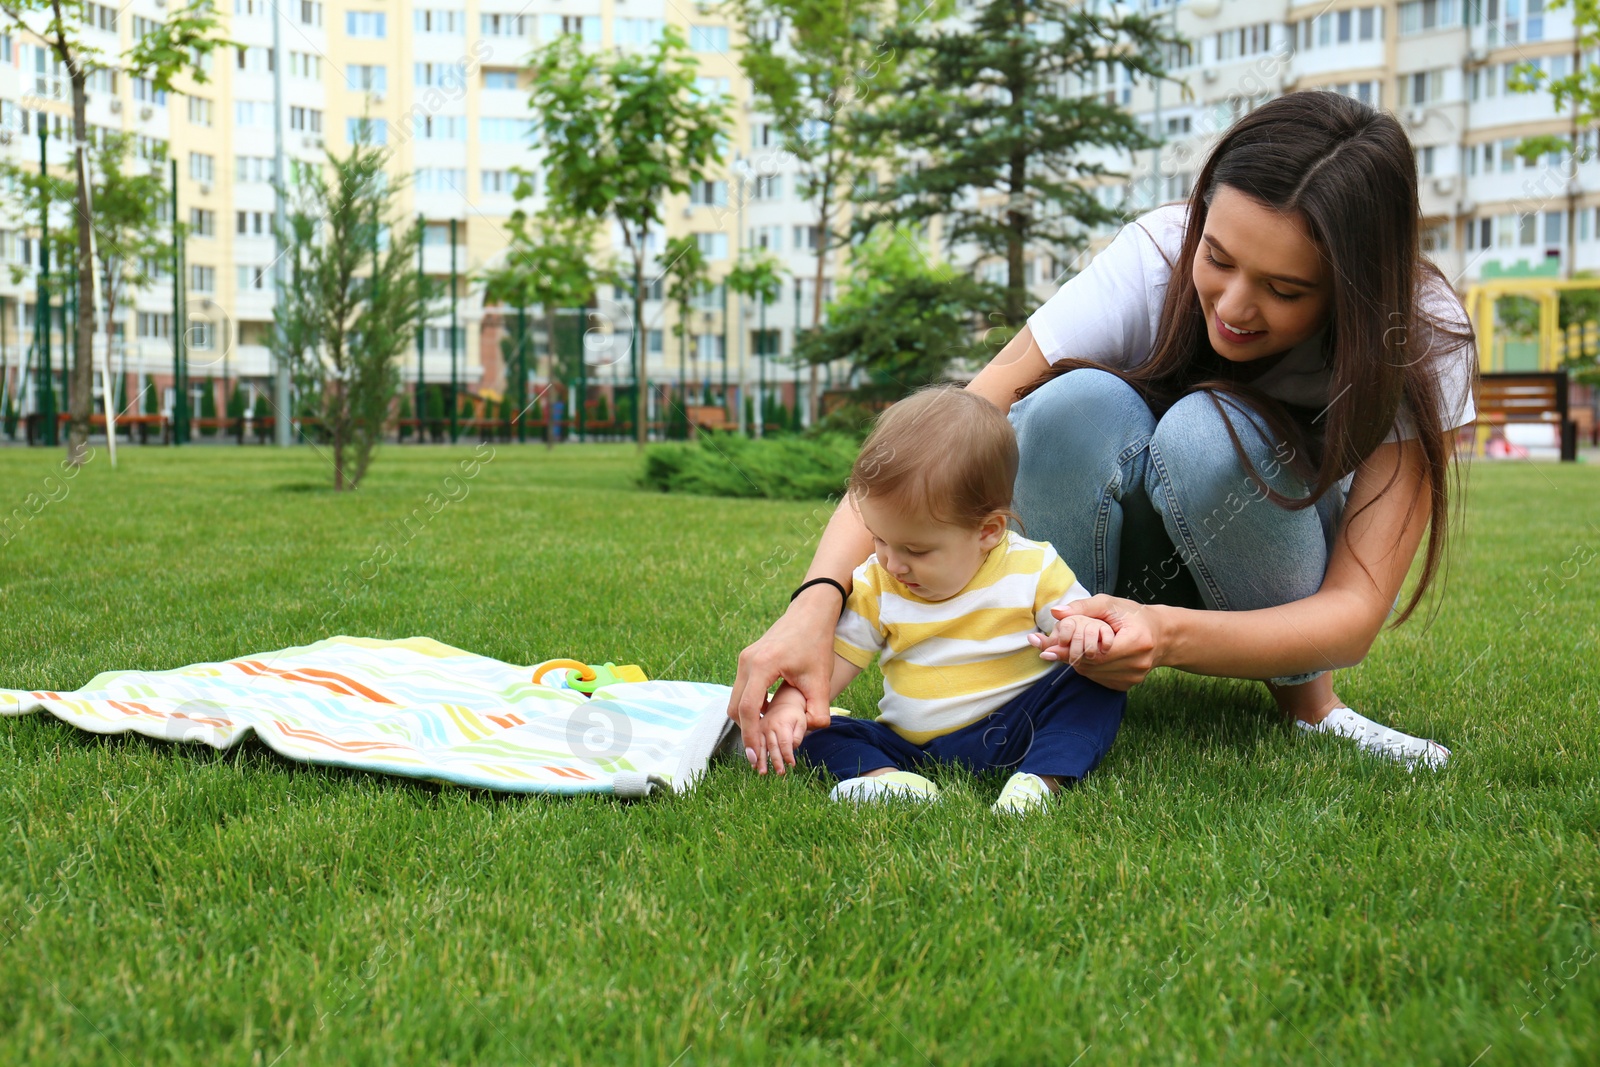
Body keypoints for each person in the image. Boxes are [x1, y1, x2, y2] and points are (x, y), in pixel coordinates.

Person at [729, 91, 1471, 771]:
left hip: (1263, 566)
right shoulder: (1153, 258)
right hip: (1095, 579)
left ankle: (1311, 706)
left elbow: (1354, 611)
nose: (1235, 307)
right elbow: (947, 434)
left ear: (1357, 285)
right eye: (1218, 258)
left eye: (1286, 289)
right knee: (1068, 404)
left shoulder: (1421, 335)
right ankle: (1042, 678)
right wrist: (815, 603)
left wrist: (1164, 631)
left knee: (1211, 435)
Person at [749, 387, 1126, 813]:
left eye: (916, 550)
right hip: (912, 746)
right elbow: (827, 670)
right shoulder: (875, 584)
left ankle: (1039, 782)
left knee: (1094, 686)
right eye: (879, 539)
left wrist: (1082, 631)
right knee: (822, 730)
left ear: (989, 531)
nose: (893, 563)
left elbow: (1076, 621)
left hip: (1019, 726)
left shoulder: (1033, 567)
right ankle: (888, 781)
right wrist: (792, 705)